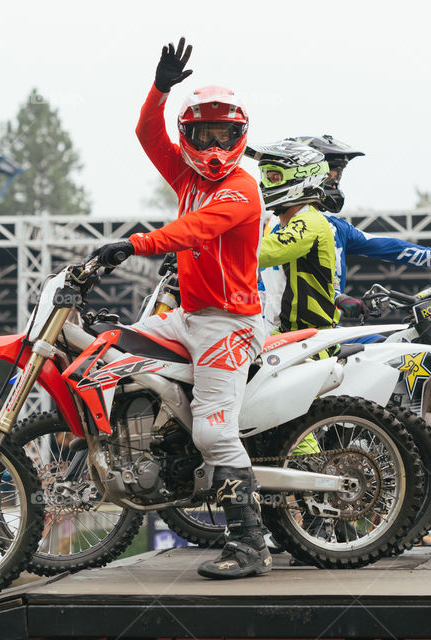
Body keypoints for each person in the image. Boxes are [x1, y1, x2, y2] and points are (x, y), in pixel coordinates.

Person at [90, 38, 269, 580]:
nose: (213, 145)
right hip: (187, 316)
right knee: (111, 350)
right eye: (202, 134)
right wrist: (160, 88)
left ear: (240, 137)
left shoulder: (242, 190)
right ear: (189, 137)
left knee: (214, 434)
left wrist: (135, 244)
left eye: (224, 134)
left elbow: (192, 230)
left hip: (230, 324)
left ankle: (250, 546)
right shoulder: (187, 176)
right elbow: (147, 134)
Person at [291, 135, 431, 323]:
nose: (335, 181)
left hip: (324, 329)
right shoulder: (279, 225)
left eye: (339, 173)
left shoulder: (336, 227)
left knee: (396, 347)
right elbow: (275, 281)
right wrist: (338, 297)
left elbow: (384, 246)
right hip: (289, 332)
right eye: (330, 173)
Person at [250, 140, 338, 334]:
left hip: (311, 339)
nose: (264, 184)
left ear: (302, 179)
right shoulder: (284, 224)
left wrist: (210, 245)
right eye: (264, 176)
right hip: (286, 334)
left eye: (274, 177)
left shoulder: (310, 221)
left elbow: (263, 252)